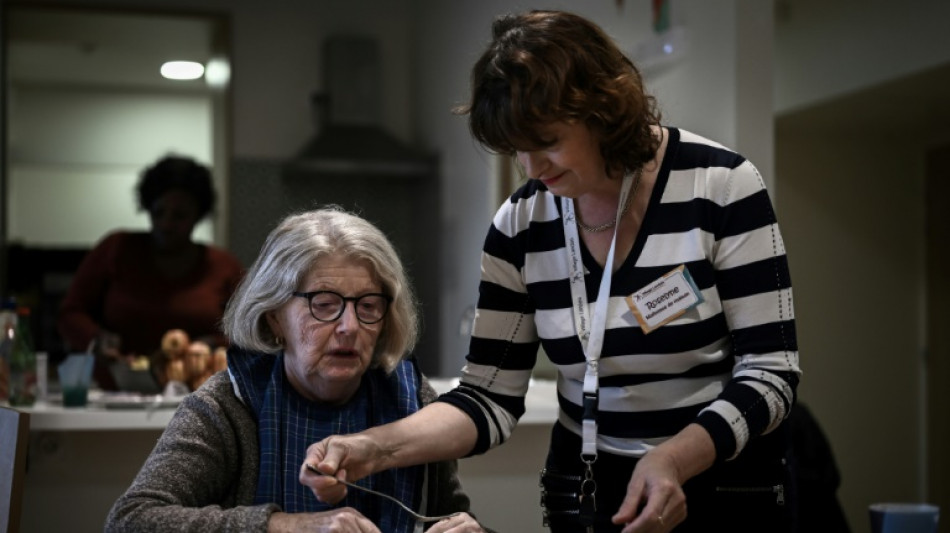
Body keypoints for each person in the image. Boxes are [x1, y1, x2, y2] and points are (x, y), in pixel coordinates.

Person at [303, 10, 801, 533]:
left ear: (604, 109)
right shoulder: (521, 225)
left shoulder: (721, 186)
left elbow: (772, 372)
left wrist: (673, 458)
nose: (533, 168)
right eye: (518, 149)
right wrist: (369, 449)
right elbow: (488, 397)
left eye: (548, 141)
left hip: (724, 481)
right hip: (590, 487)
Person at [104, 207, 489, 533]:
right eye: (323, 303)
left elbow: (451, 514)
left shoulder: (414, 402)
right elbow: (131, 519)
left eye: (368, 306)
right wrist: (289, 525)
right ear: (274, 318)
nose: (350, 327)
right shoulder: (227, 405)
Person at [56, 155, 243, 390]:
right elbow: (70, 313)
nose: (166, 224)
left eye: (179, 216)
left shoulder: (223, 266)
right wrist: (96, 339)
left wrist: (211, 345)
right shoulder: (116, 250)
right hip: (117, 393)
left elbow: (250, 329)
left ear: (198, 215)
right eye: (158, 212)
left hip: (198, 397)